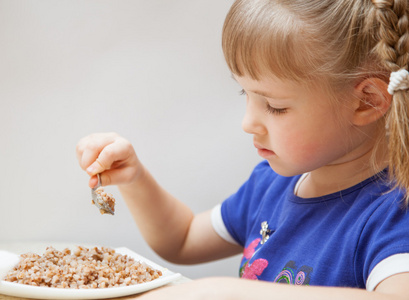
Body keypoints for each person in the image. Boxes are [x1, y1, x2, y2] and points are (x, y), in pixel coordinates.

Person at [76, 0, 409, 299]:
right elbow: (183, 239)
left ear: (367, 101)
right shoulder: (271, 184)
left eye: (275, 106)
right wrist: (135, 178)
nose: (248, 122)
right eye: (244, 94)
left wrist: (227, 292)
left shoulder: (393, 214)